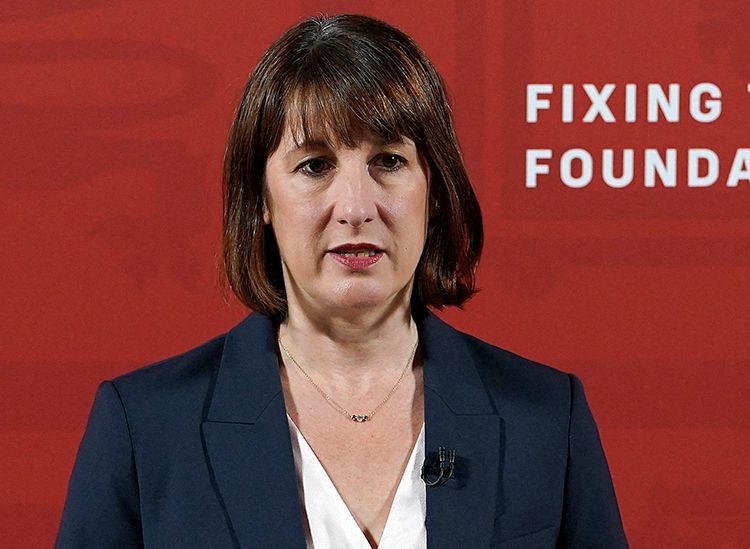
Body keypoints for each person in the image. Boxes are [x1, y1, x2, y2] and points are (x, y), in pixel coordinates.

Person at [55, 14, 627, 549]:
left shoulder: (547, 418)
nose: (356, 207)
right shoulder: (144, 427)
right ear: (261, 199)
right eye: (315, 166)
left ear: (434, 188)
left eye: (389, 161)